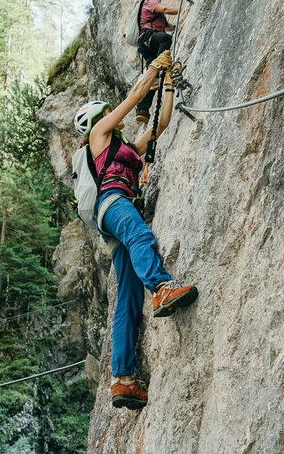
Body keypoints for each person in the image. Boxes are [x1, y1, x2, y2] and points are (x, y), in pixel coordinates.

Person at [73, 50, 198, 410]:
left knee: (126, 300)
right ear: (98, 118)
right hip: (113, 204)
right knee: (141, 235)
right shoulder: (98, 135)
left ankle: (122, 379)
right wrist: (155, 68)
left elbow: (159, 126)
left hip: (109, 219)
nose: (114, 116)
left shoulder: (124, 148)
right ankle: (161, 287)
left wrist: (169, 84)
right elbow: (132, 100)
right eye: (107, 112)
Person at [136, 0, 181, 123]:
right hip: (148, 38)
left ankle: (142, 109)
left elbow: (167, 26)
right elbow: (166, 9)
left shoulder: (155, 9)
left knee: (151, 77)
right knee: (165, 39)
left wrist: (176, 26)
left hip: (149, 43)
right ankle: (162, 67)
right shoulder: (151, 1)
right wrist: (183, 8)